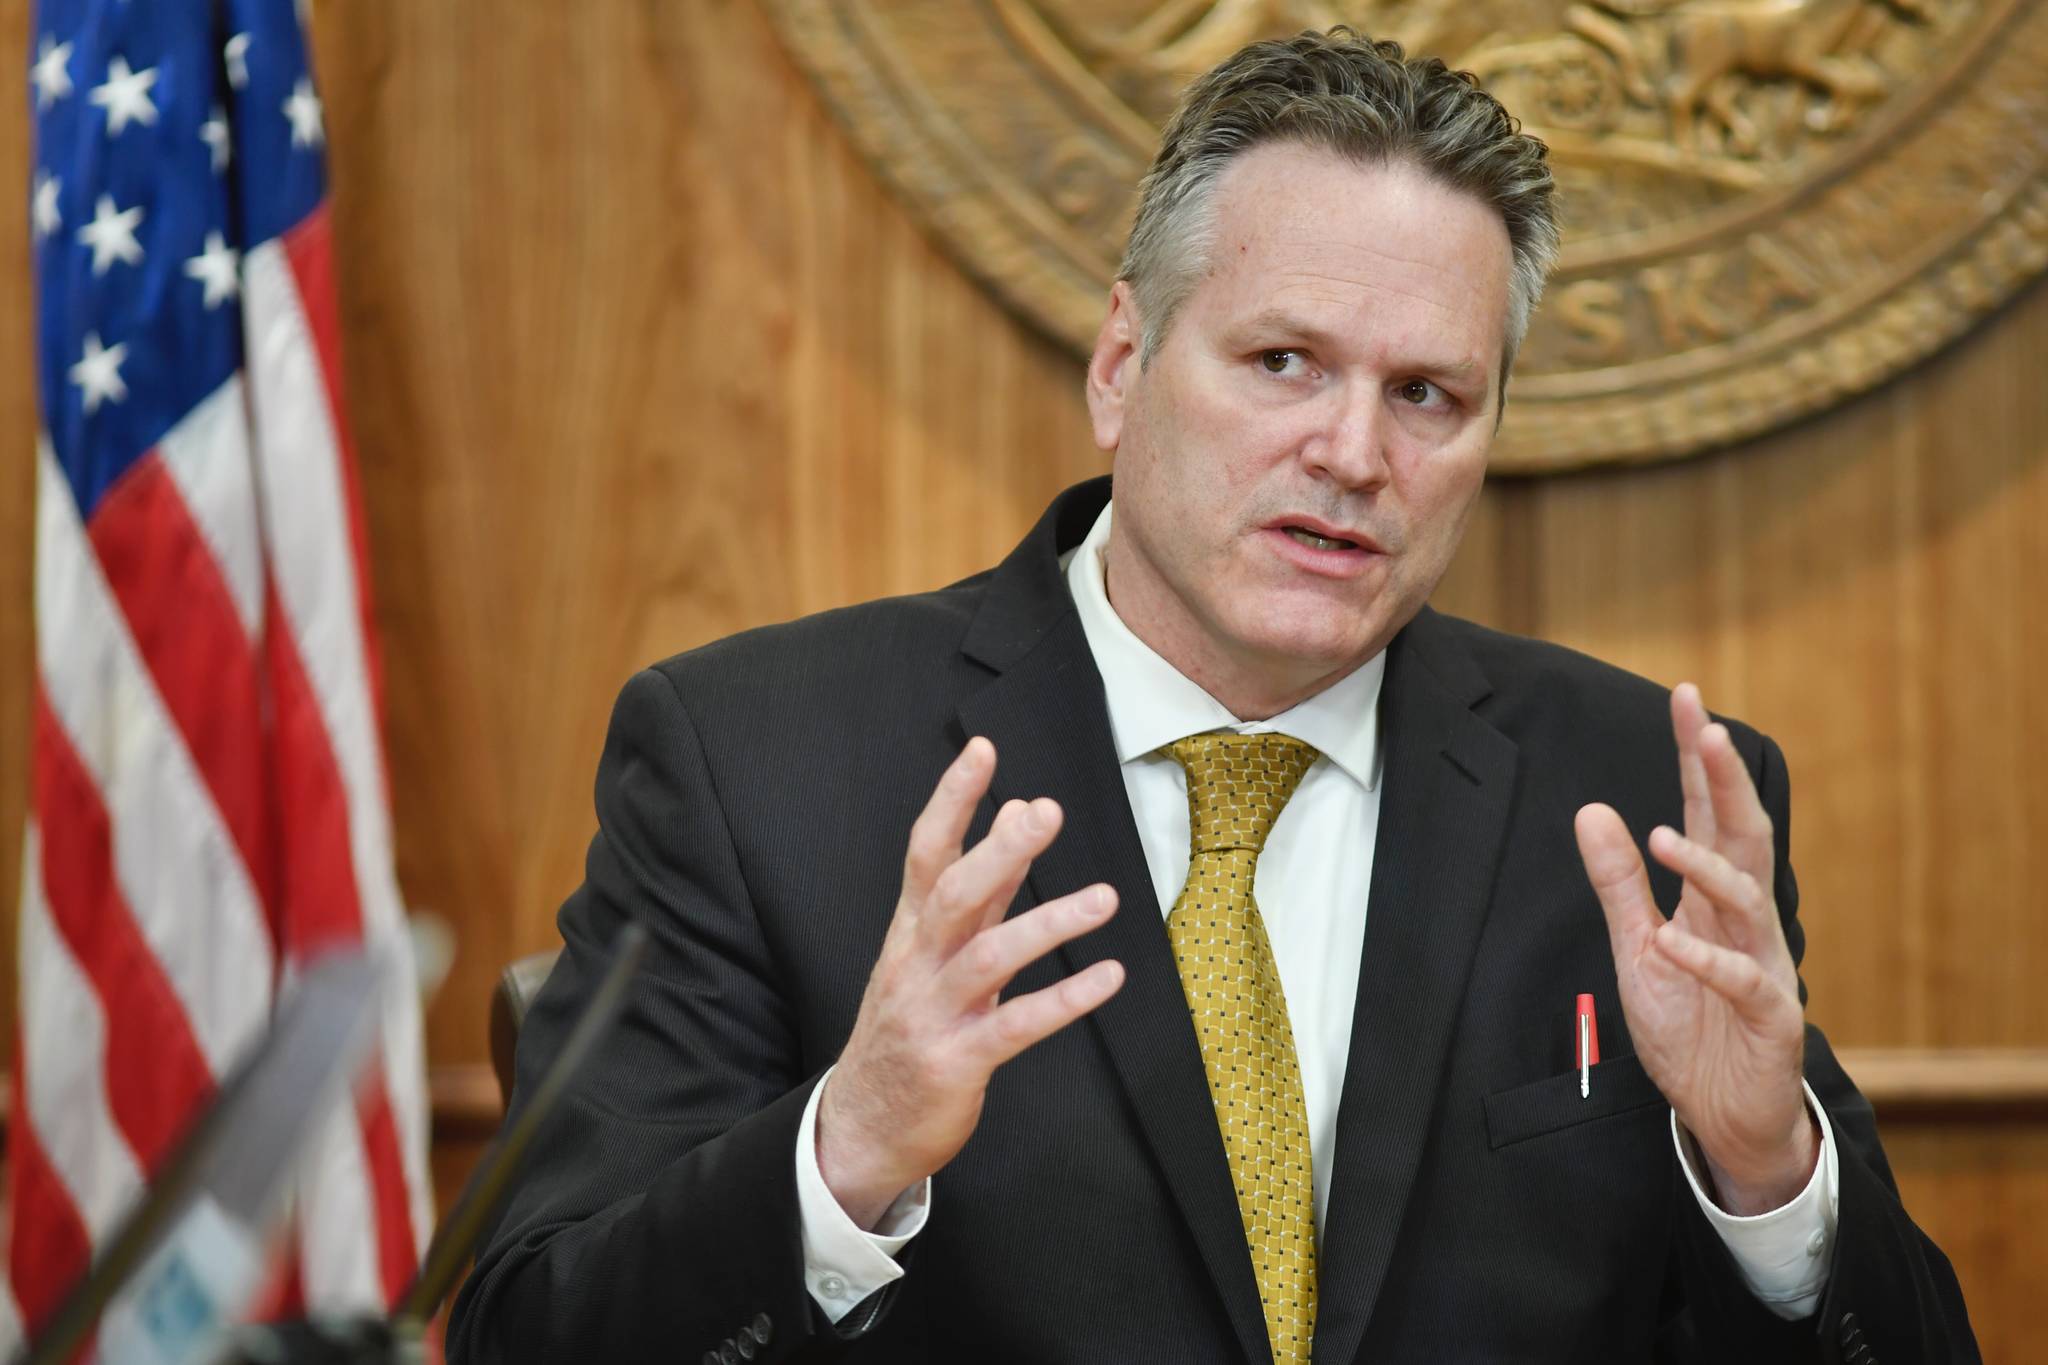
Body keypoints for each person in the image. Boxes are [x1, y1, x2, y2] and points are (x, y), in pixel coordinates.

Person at [447, 29, 1976, 1364]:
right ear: (1125, 362)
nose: (1354, 454)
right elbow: (530, 1330)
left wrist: (1767, 1168)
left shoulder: (1646, 799)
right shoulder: (759, 759)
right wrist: (842, 1153)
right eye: (1285, 360)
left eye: (1426, 394)